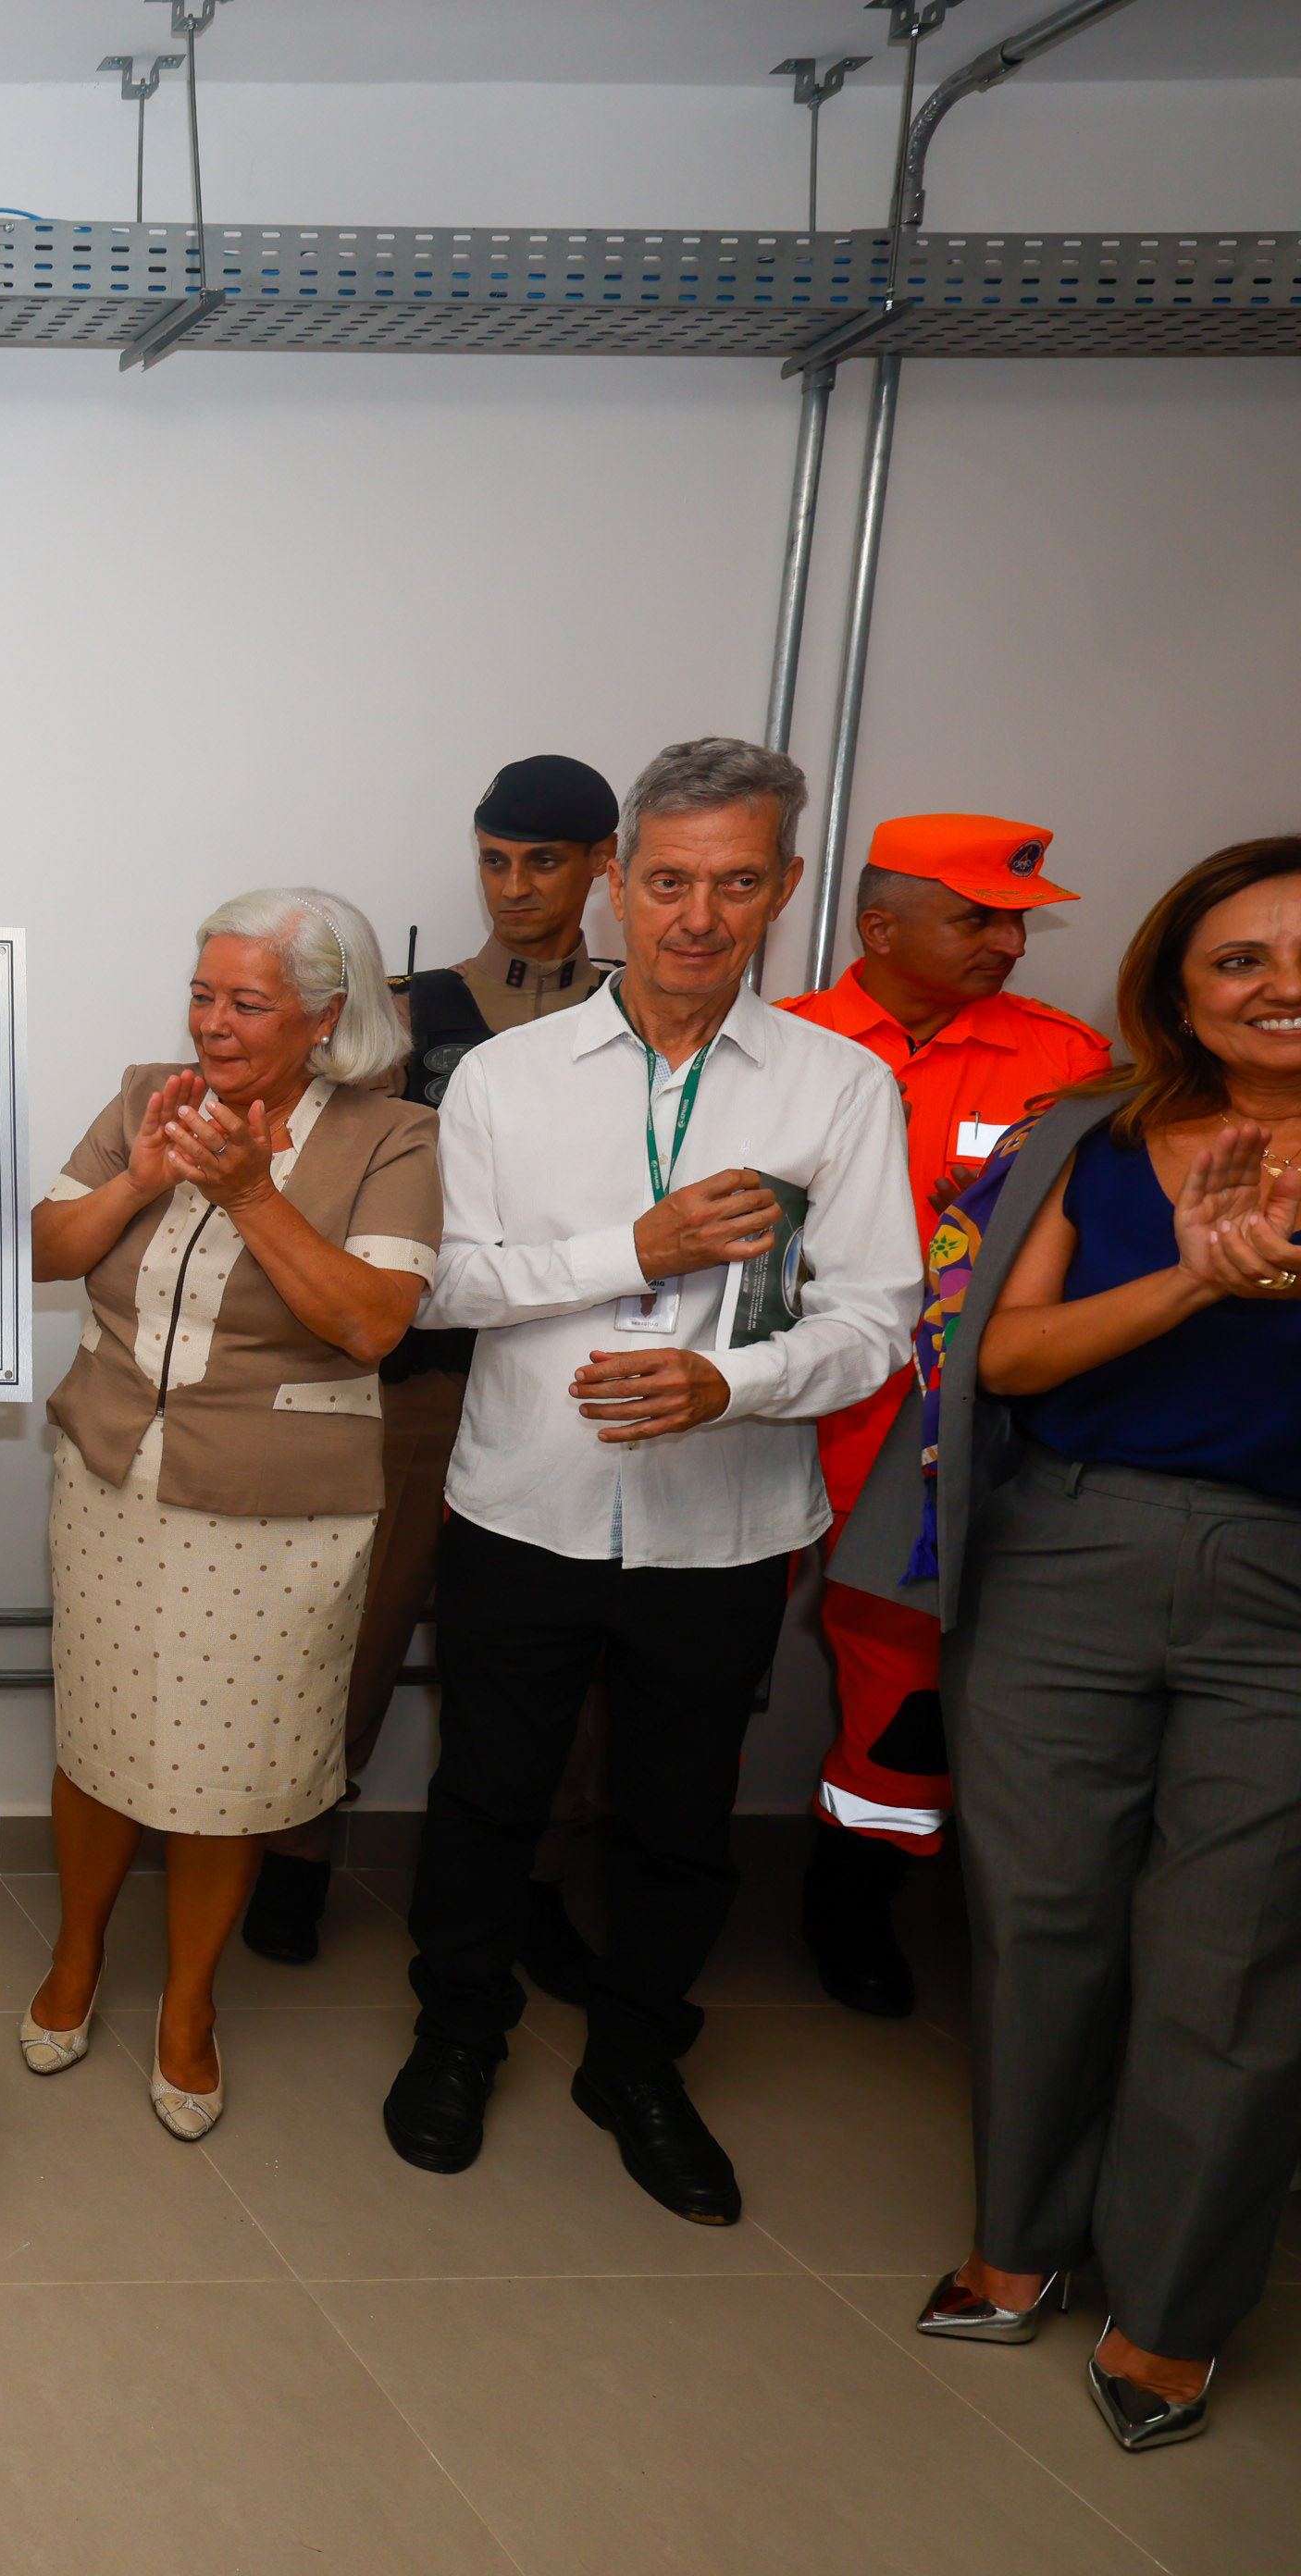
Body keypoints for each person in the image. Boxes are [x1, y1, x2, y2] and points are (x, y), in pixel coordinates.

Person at [384, 737, 915, 2223]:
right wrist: (638, 1250)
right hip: (523, 1505)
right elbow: (448, 1286)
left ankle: (636, 2061)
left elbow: (876, 1317)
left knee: (679, 1823)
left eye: (735, 884)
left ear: (784, 889)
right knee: (488, 1795)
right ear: (618, 882)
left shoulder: (838, 1086)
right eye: (670, 881)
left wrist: (732, 1384)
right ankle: (458, 2034)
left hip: (724, 1524)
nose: (698, 916)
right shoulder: (506, 1077)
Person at [849, 837, 1301, 2454]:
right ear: (1178, 983)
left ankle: (1171, 2308)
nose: (1281, 987)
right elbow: (1007, 1355)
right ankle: (1021, 2240)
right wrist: (1192, 1280)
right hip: (1068, 1555)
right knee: (1039, 1919)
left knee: (1231, 1957)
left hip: (1285, 1587)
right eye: (1241, 958)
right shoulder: (1087, 1132)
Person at [24, 887, 437, 2139]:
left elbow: (371, 1322)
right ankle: (77, 1957)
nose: (211, 1024)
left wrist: (256, 1194)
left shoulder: (394, 1138)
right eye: (202, 995)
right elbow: (45, 1249)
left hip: (274, 1510)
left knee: (227, 1768)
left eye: (245, 1002)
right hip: (114, 1480)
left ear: (325, 1016)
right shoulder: (145, 1096)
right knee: (99, 1738)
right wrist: (140, 1180)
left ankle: (189, 2004)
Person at [250, 755, 621, 1978]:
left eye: (544, 862)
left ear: (601, 866)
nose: (515, 887)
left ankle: (537, 1882)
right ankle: (297, 1855)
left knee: (547, 1663)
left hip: (571, 1380)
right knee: (352, 1632)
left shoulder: (638, 1019)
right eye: (495, 860)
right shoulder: (407, 1014)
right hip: (418, 1379)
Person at [775, 812, 1109, 2016]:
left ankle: (856, 1901)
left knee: (902, 1669)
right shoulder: (781, 1044)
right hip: (768, 1405)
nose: (1010, 943)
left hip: (929, 1421)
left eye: (1017, 921)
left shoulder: (1064, 1062)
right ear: (879, 927)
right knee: (691, 1649)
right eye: (979, 918)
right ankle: (652, 1880)